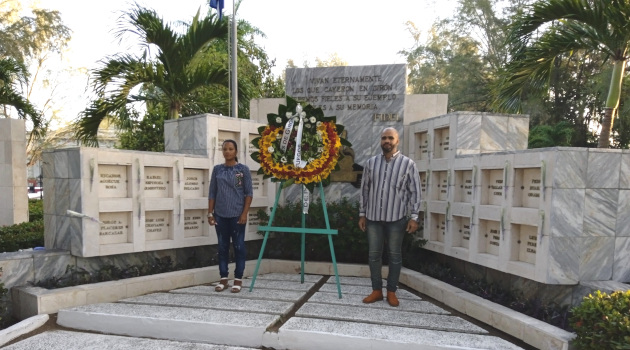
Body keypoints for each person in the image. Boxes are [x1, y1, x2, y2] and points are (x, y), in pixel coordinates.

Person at [358, 127, 422, 307]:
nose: (387, 141)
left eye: (390, 138)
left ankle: (391, 292)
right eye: (384, 138)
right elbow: (364, 190)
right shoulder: (371, 163)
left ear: (397, 141)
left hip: (397, 219)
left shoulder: (408, 164)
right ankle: (376, 290)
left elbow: (415, 192)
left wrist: (414, 217)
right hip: (373, 218)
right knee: (374, 256)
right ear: (381, 140)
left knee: (394, 256)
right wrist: (362, 214)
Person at [208, 139, 253, 293]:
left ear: (236, 151)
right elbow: (212, 192)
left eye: (230, 149)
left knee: (239, 246)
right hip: (220, 215)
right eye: (225, 149)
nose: (227, 151)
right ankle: (223, 278)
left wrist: (244, 213)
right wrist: (210, 213)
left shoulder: (242, 170)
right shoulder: (217, 170)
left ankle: (238, 279)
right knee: (222, 247)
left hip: (237, 215)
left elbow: (248, 193)